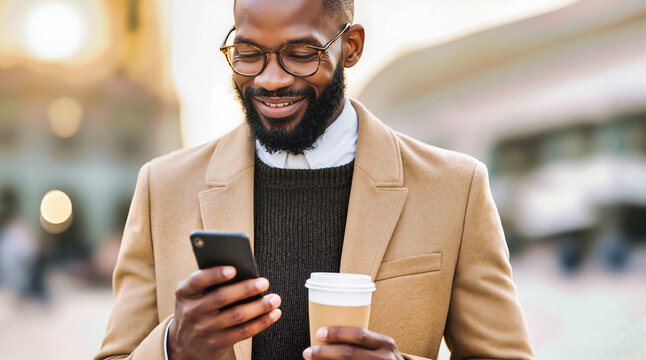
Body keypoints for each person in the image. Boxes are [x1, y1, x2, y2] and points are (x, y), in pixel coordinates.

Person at [96, 0, 534, 359]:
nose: (270, 80)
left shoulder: (455, 189)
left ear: (352, 46)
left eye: (301, 54)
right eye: (248, 54)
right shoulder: (163, 187)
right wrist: (175, 348)